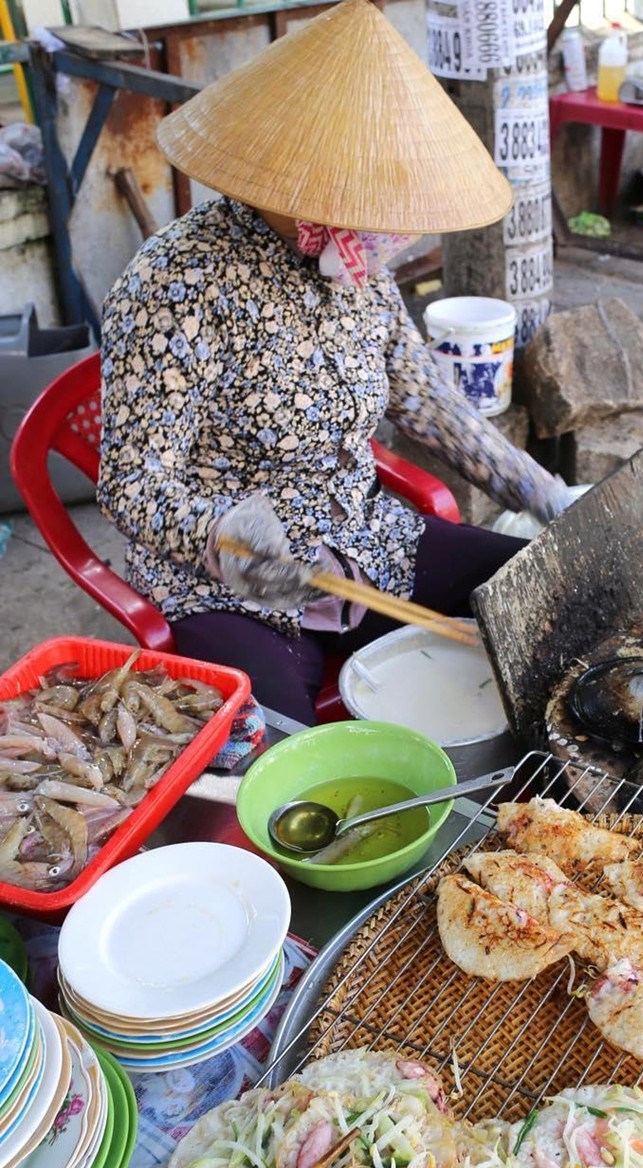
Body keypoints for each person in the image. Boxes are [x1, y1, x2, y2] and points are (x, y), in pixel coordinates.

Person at [97, 0, 571, 724]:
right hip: (232, 580)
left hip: (363, 537)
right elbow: (132, 484)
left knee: (548, 598)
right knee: (278, 746)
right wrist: (230, 541)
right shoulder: (175, 283)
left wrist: (542, 495)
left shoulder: (358, 267)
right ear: (296, 185)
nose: (385, 230)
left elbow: (424, 400)